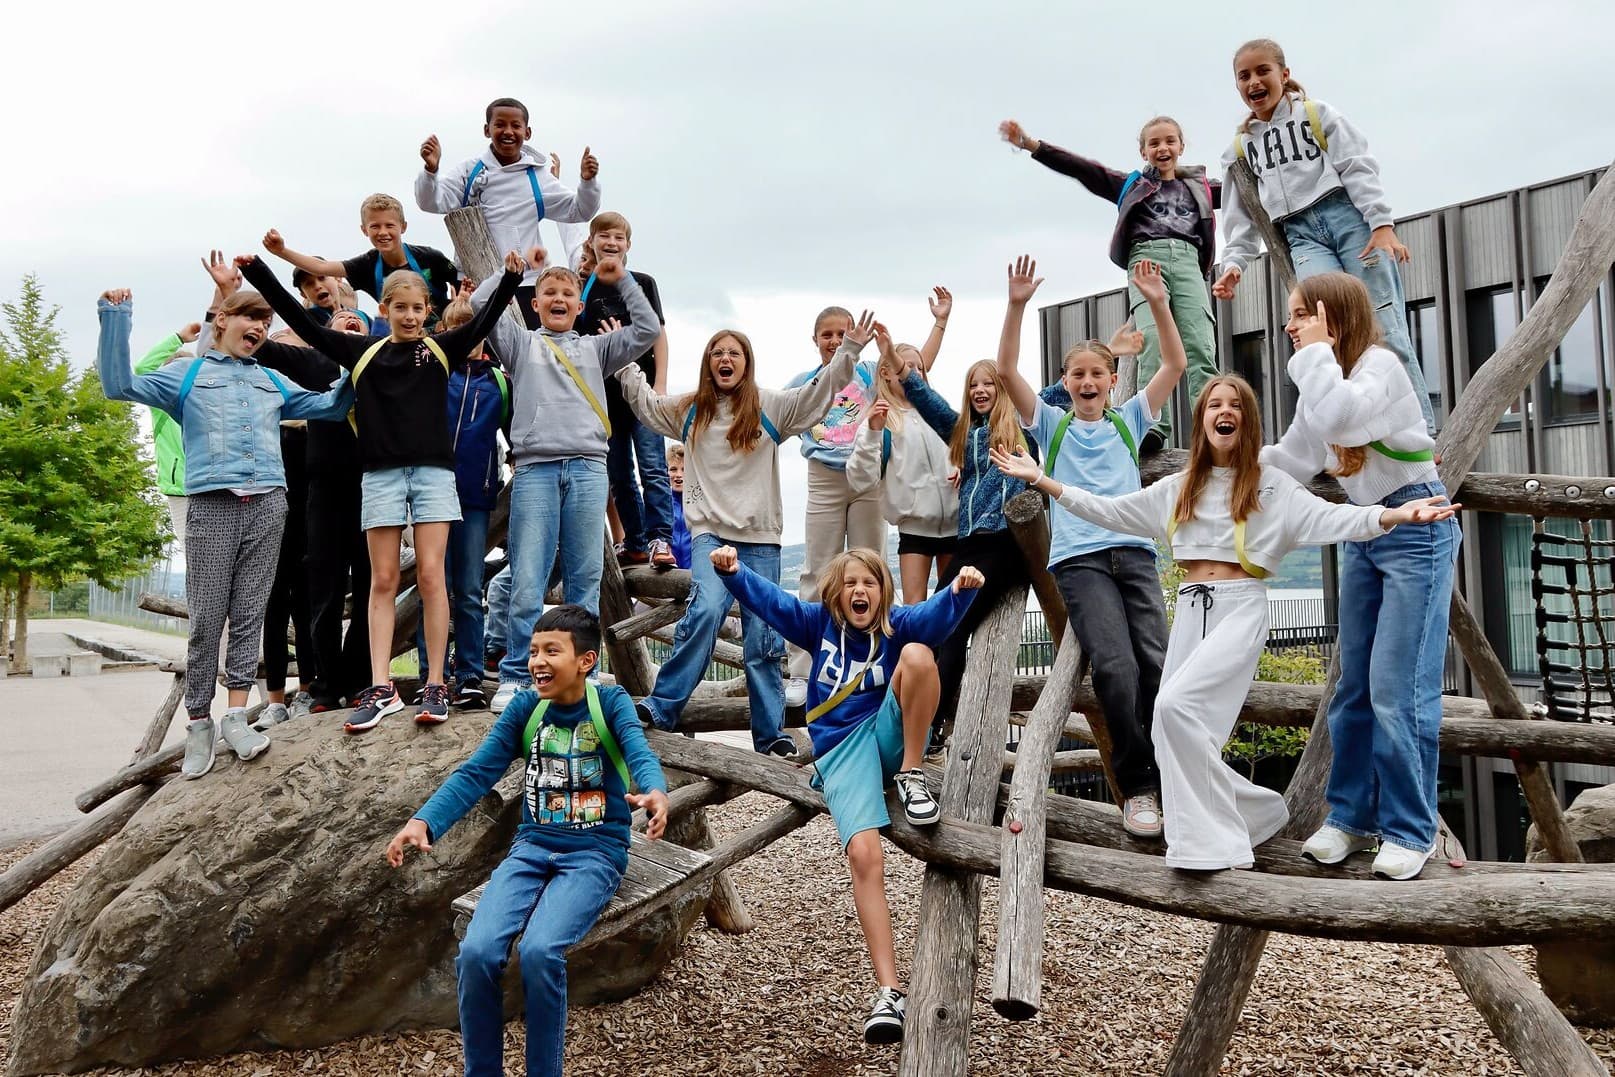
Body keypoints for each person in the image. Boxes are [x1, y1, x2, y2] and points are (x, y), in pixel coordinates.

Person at [992, 374, 1457, 871]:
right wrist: (1042, 480)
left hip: (1240, 608)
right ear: (1202, 420)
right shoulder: (1179, 487)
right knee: (1173, 734)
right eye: (1214, 404)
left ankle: (1215, 847)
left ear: (1247, 420)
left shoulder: (1270, 485)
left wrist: (1392, 517)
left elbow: (1335, 519)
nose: (1223, 410)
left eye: (1234, 404)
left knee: (1172, 708)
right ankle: (1255, 813)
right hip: (1192, 610)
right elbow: (1108, 510)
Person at [238, 251, 524, 731]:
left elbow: (485, 319)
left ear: (427, 311)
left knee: (434, 577)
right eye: (401, 308)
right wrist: (257, 274)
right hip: (382, 477)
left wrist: (514, 277)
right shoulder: (362, 351)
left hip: (434, 475)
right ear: (385, 309)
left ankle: (436, 683)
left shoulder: (439, 349)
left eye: (418, 309)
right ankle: (381, 686)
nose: (410, 317)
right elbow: (301, 325)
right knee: (384, 581)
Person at [386, 605, 670, 1077]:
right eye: (533, 650)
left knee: (540, 952)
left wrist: (655, 791)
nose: (537, 661)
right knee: (476, 953)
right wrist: (424, 822)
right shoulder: (525, 708)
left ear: (586, 661)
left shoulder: (610, 702)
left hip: (595, 854)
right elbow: (477, 772)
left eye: (551, 651)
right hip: (532, 849)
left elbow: (639, 752)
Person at [713, 544, 982, 1042]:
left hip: (886, 735)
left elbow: (937, 618)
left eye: (870, 583)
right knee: (863, 853)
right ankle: (890, 992)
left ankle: (912, 773)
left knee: (921, 656)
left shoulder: (897, 625)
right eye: (851, 583)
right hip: (841, 751)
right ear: (836, 593)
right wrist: (734, 572)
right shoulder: (817, 625)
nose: (860, 591)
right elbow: (772, 602)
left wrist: (959, 591)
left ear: (884, 592)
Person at [95, 287, 354, 778]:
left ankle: (236, 715)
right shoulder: (187, 374)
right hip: (212, 504)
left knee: (250, 614)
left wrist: (350, 355)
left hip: (269, 504)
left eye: (265, 319)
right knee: (208, 618)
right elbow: (119, 385)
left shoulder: (271, 380)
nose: (258, 326)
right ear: (222, 320)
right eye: (250, 316)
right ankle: (199, 723)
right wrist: (115, 316)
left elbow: (332, 406)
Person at [1263, 272, 1461, 879]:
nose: (1290, 327)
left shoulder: (1380, 368)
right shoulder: (1320, 380)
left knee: (1397, 691)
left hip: (1418, 529)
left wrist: (1316, 355)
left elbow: (1347, 425)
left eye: (1301, 315)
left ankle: (1410, 830)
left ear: (1332, 318)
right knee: (1351, 691)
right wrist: (1221, 462)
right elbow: (1292, 459)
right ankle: (1351, 819)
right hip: (1366, 532)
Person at [614, 314, 878, 755]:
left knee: (764, 638)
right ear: (708, 363)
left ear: (747, 363)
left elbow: (818, 395)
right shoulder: (690, 410)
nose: (725, 359)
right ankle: (663, 706)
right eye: (717, 352)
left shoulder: (769, 407)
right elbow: (645, 404)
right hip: (711, 534)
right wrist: (625, 363)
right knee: (704, 612)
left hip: (760, 538)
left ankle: (770, 736)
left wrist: (848, 350)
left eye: (734, 353)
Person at [996, 255, 1186, 838]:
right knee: (1117, 668)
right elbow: (1005, 371)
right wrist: (1018, 304)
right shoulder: (1051, 427)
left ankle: (1177, 779)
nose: (1085, 383)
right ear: (1066, 380)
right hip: (1079, 563)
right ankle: (1139, 789)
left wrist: (1157, 302)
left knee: (1160, 665)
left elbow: (1175, 363)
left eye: (1095, 374)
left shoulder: (1130, 420)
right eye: (1075, 374)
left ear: (1110, 380)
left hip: (1135, 554)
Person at [467, 254, 661, 715]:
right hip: (535, 468)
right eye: (549, 294)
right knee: (528, 578)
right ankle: (517, 674)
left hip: (589, 467)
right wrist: (514, 273)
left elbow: (648, 330)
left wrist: (624, 280)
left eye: (567, 294)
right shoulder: (519, 345)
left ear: (580, 305)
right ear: (534, 305)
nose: (558, 299)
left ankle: (581, 674)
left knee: (584, 580)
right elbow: (480, 302)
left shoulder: (597, 349)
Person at [1211, 38, 1435, 433]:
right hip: (1300, 236)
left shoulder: (1316, 115)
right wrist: (1234, 263)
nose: (1254, 82)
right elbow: (1240, 217)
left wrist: (1381, 224)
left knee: (1383, 325)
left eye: (1263, 71)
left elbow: (1357, 164)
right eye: (1244, 76)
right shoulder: (1241, 149)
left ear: (1284, 75)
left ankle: (1419, 430)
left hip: (1347, 220)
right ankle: (1357, 431)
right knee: (1323, 330)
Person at [999, 116, 1220, 452]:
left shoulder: (1199, 186)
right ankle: (1154, 425)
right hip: (1148, 260)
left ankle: (1211, 422)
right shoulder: (1131, 185)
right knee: (1151, 345)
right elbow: (1084, 169)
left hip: (1188, 259)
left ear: (1181, 146)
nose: (1163, 148)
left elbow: (1245, 188)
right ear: (1143, 150)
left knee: (1200, 344)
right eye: (1155, 143)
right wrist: (1032, 145)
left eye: (1170, 141)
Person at [783, 291, 953, 705]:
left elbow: (915, 365)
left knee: (868, 565)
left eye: (842, 332)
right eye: (828, 334)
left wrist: (940, 324)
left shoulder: (871, 372)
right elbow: (777, 416)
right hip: (823, 474)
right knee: (818, 568)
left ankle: (872, 656)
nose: (835, 340)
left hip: (870, 477)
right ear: (815, 339)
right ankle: (804, 670)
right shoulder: (805, 382)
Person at [899, 356, 1032, 748]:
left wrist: (1111, 348)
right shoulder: (964, 432)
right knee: (929, 625)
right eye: (974, 384)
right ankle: (910, 714)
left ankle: (930, 726)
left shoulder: (1023, 426)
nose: (980, 390)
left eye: (989, 383)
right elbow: (928, 401)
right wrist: (897, 363)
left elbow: (1055, 395)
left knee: (951, 628)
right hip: (970, 543)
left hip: (1003, 542)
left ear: (1003, 389)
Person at [416, 98, 601, 328]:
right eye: (500, 125)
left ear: (528, 132)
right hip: (474, 283)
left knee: (522, 359)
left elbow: (580, 211)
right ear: (487, 130)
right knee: (477, 357)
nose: (508, 131)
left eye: (516, 126)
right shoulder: (469, 170)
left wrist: (587, 182)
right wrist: (430, 171)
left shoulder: (538, 177)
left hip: (524, 284)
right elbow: (431, 202)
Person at [411, 291, 511, 710]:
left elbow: (514, 431)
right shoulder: (433, 374)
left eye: (473, 327)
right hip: (432, 492)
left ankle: (469, 674)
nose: (466, 334)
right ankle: (429, 673)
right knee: (431, 585)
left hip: (474, 496)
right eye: (455, 327)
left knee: (469, 589)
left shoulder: (500, 381)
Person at [573, 212, 675, 570]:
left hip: (642, 391)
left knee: (652, 467)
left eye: (618, 237)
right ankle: (634, 540)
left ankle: (660, 536)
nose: (611, 243)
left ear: (628, 244)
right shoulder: (583, 287)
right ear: (592, 242)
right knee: (617, 472)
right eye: (604, 236)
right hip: (603, 397)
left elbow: (659, 334)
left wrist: (660, 383)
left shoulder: (643, 282)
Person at [845, 331, 958, 605]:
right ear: (886, 372)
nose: (915, 373)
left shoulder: (938, 412)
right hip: (914, 528)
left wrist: (962, 467)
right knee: (915, 609)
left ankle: (952, 652)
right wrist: (873, 432)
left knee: (954, 609)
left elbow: (964, 448)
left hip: (956, 525)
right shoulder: (881, 419)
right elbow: (860, 479)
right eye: (907, 367)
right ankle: (914, 651)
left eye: (919, 368)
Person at [262, 194, 461, 319]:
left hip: (444, 331)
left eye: (389, 225)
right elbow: (321, 268)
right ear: (364, 230)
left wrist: (456, 311)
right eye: (375, 226)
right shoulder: (366, 265)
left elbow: (463, 281)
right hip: (403, 339)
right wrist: (282, 251)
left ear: (403, 227)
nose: (383, 232)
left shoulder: (430, 257)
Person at [132, 321, 200, 550]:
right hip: (179, 488)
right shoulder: (160, 403)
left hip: (210, 485)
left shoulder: (205, 400)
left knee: (212, 554)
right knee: (191, 551)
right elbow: (143, 370)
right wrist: (178, 339)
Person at [666, 443, 691, 569]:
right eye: (673, 469)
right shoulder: (662, 504)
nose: (678, 475)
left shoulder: (700, 504)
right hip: (669, 573)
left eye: (684, 469)